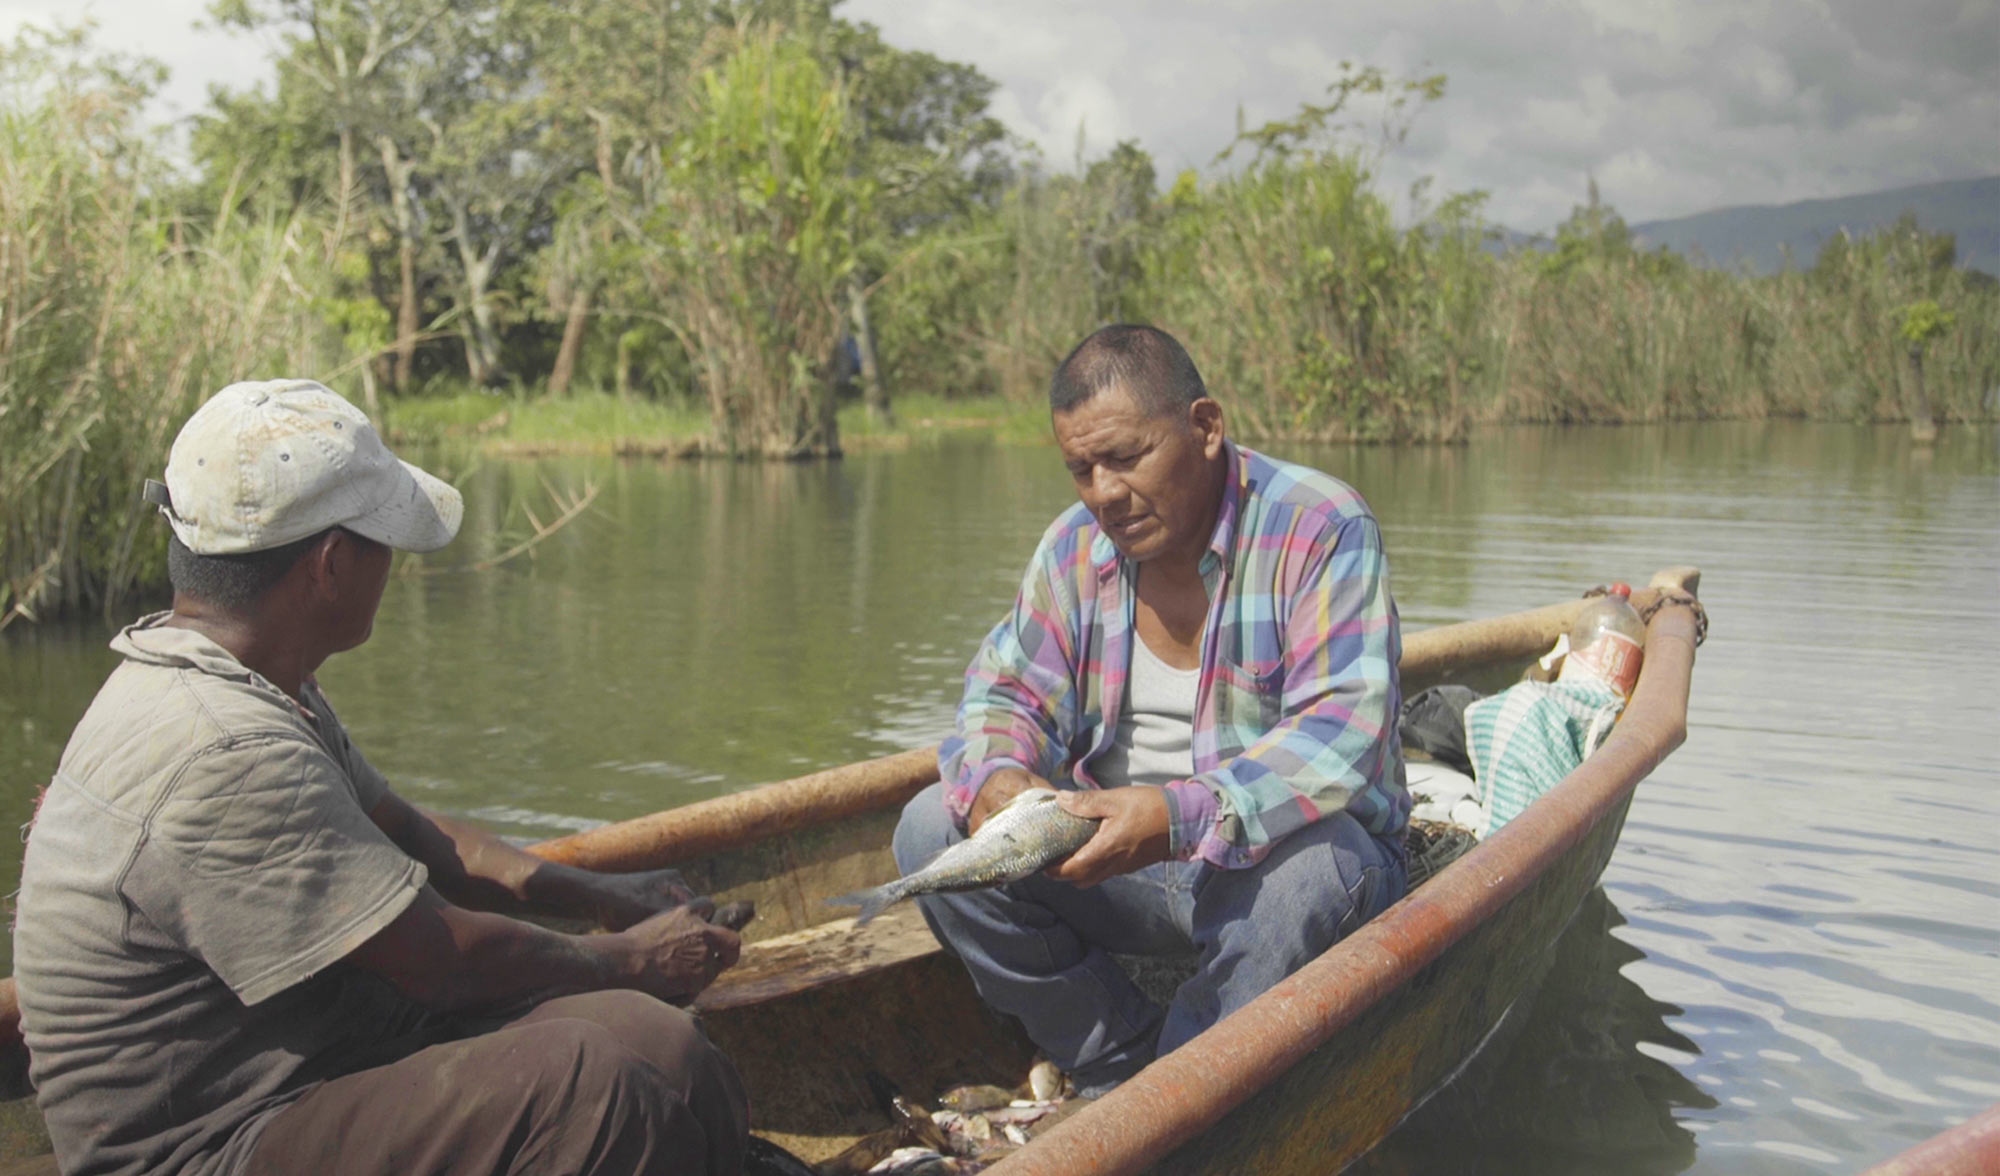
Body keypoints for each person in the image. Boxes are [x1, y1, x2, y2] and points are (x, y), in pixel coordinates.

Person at [13, 380, 750, 1176]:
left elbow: (412, 834)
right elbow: (442, 961)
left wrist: (604, 896)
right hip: (206, 1145)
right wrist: (633, 959)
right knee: (593, 1086)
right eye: (384, 542)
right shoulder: (221, 748)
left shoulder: (256, 679)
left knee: (664, 1049)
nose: (393, 566)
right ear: (332, 564)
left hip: (310, 1067)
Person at [894, 325, 1410, 1097]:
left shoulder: (1320, 527)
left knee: (1316, 874)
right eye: (1081, 469)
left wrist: (1173, 817)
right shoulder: (1074, 548)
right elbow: (1005, 693)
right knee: (929, 828)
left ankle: (1175, 1094)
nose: (1104, 492)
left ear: (1206, 427)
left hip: (1270, 863)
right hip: (1114, 859)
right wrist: (1000, 778)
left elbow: (1342, 736)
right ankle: (1115, 1056)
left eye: (1126, 457)